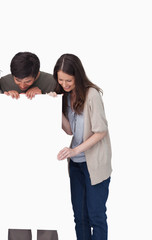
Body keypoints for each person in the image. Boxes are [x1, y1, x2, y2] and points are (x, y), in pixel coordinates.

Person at [0, 51, 58, 240]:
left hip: (46, 157)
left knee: (46, 213)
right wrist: (5, 98)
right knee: (18, 213)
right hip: (13, 156)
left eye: (28, 82)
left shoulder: (52, 82)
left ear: (37, 74)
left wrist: (47, 97)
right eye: (18, 81)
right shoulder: (4, 83)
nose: (23, 86)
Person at [54, 53, 112, 240]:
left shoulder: (92, 94)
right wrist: (54, 106)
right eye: (60, 80)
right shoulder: (66, 95)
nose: (64, 84)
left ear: (77, 75)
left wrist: (74, 151)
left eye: (68, 80)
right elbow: (70, 130)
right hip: (76, 165)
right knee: (80, 217)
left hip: (93, 164)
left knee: (96, 216)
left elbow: (101, 131)